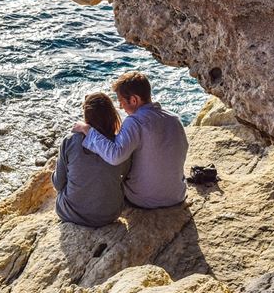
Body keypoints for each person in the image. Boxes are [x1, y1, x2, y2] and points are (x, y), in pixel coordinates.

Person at [73, 71, 188, 208]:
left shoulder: (134, 122)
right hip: (176, 195)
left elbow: (115, 156)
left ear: (134, 100)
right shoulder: (174, 119)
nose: (121, 107)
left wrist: (88, 130)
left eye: (121, 101)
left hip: (144, 199)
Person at [52, 93, 130, 227]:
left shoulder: (71, 140)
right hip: (109, 214)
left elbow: (58, 184)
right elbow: (125, 174)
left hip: (72, 214)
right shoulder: (118, 145)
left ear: (87, 116)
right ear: (111, 115)